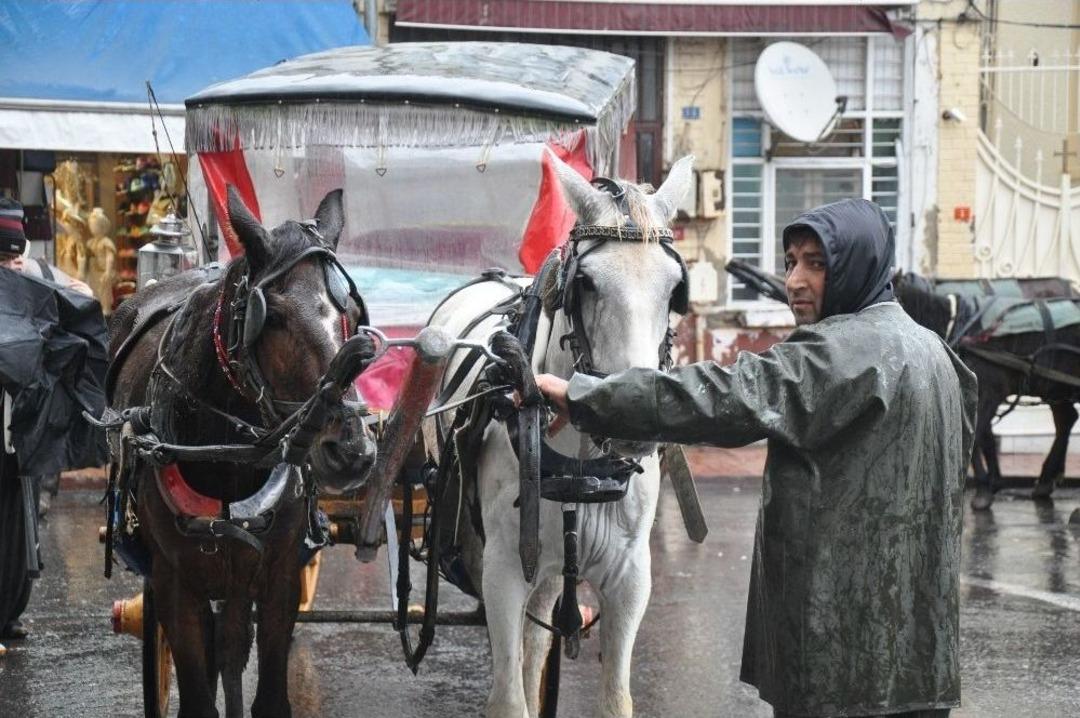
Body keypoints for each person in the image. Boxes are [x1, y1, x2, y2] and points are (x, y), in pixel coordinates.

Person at [535, 198, 978, 718]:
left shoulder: (836, 354)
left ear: (859, 264)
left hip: (838, 661)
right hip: (922, 664)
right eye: (790, 262)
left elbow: (722, 396)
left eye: (817, 264)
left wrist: (585, 397)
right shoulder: (941, 358)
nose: (794, 281)